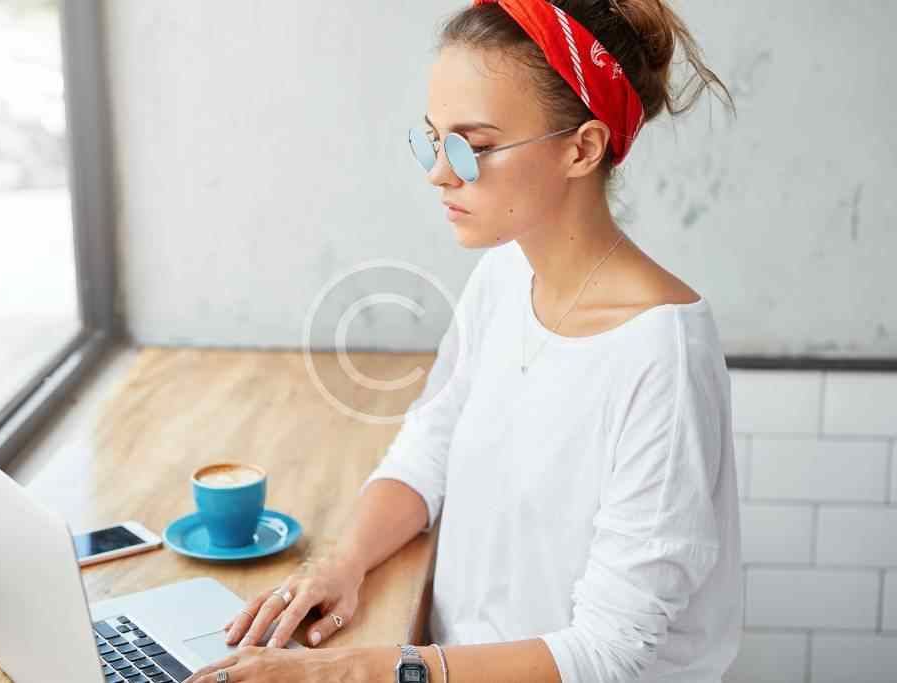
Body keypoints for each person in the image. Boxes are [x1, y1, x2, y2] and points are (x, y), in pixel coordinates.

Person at [186, 0, 740, 681]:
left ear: (582, 148)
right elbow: (429, 447)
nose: (438, 174)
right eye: (432, 140)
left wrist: (348, 671)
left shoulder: (663, 354)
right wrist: (342, 562)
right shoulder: (504, 275)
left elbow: (611, 652)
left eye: (470, 148)